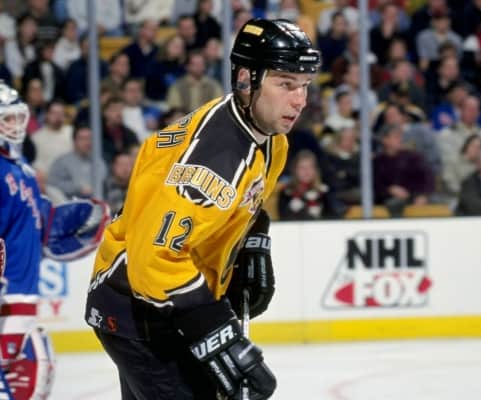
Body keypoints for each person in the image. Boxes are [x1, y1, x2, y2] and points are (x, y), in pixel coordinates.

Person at [85, 18, 321, 399]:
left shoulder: (269, 138)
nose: (300, 100)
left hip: (163, 301)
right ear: (245, 79)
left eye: (304, 85)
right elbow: (153, 259)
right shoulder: (213, 162)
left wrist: (253, 239)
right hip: (139, 307)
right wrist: (216, 331)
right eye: (285, 83)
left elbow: (237, 206)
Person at [0, 82, 108, 399]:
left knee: (36, 374)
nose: (15, 126)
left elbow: (40, 227)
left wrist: (75, 218)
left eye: (17, 117)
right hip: (6, 297)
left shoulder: (23, 171)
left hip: (22, 298)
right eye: (6, 119)